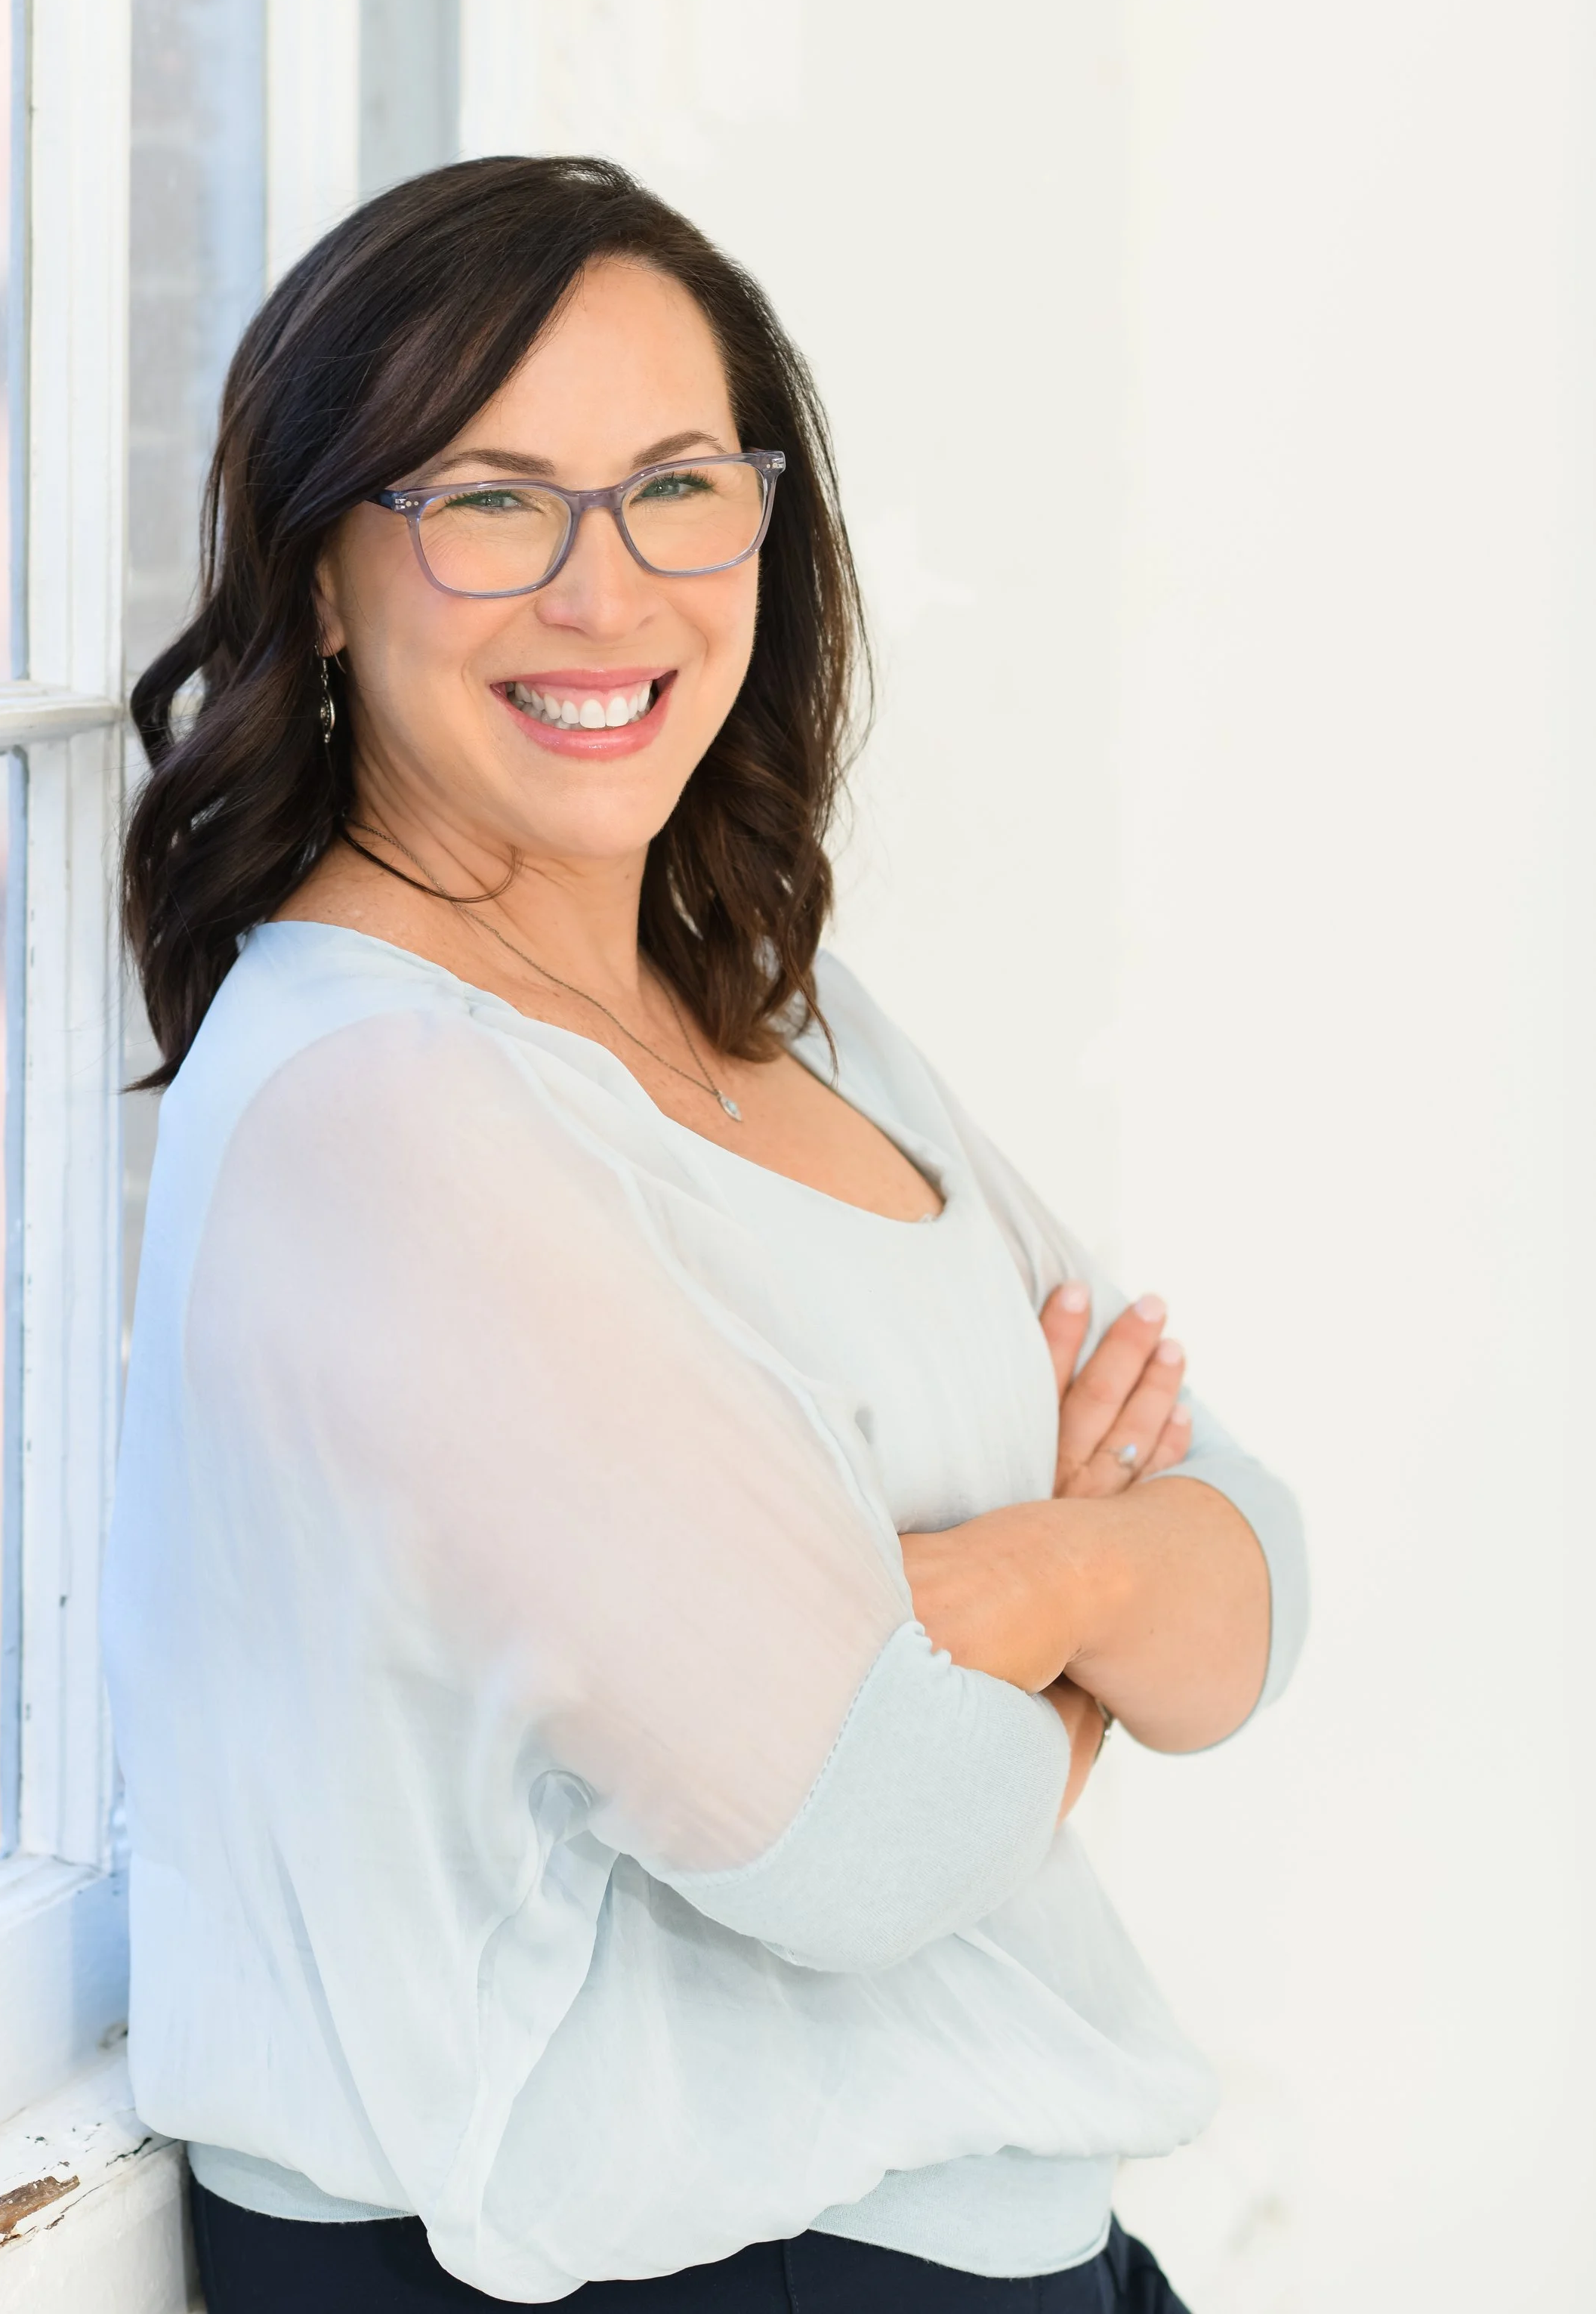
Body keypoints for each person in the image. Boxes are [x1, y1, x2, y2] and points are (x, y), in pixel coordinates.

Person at [103, 156, 1306, 2314]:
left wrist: (1023, 1580)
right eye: (491, 501)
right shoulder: (384, 1104)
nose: (607, 590)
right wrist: (1088, 1612)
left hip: (985, 2238)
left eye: (676, 485)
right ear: (319, 577)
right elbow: (873, 1841)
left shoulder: (780, 1001)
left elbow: (1255, 1577)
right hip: (647, 2277)